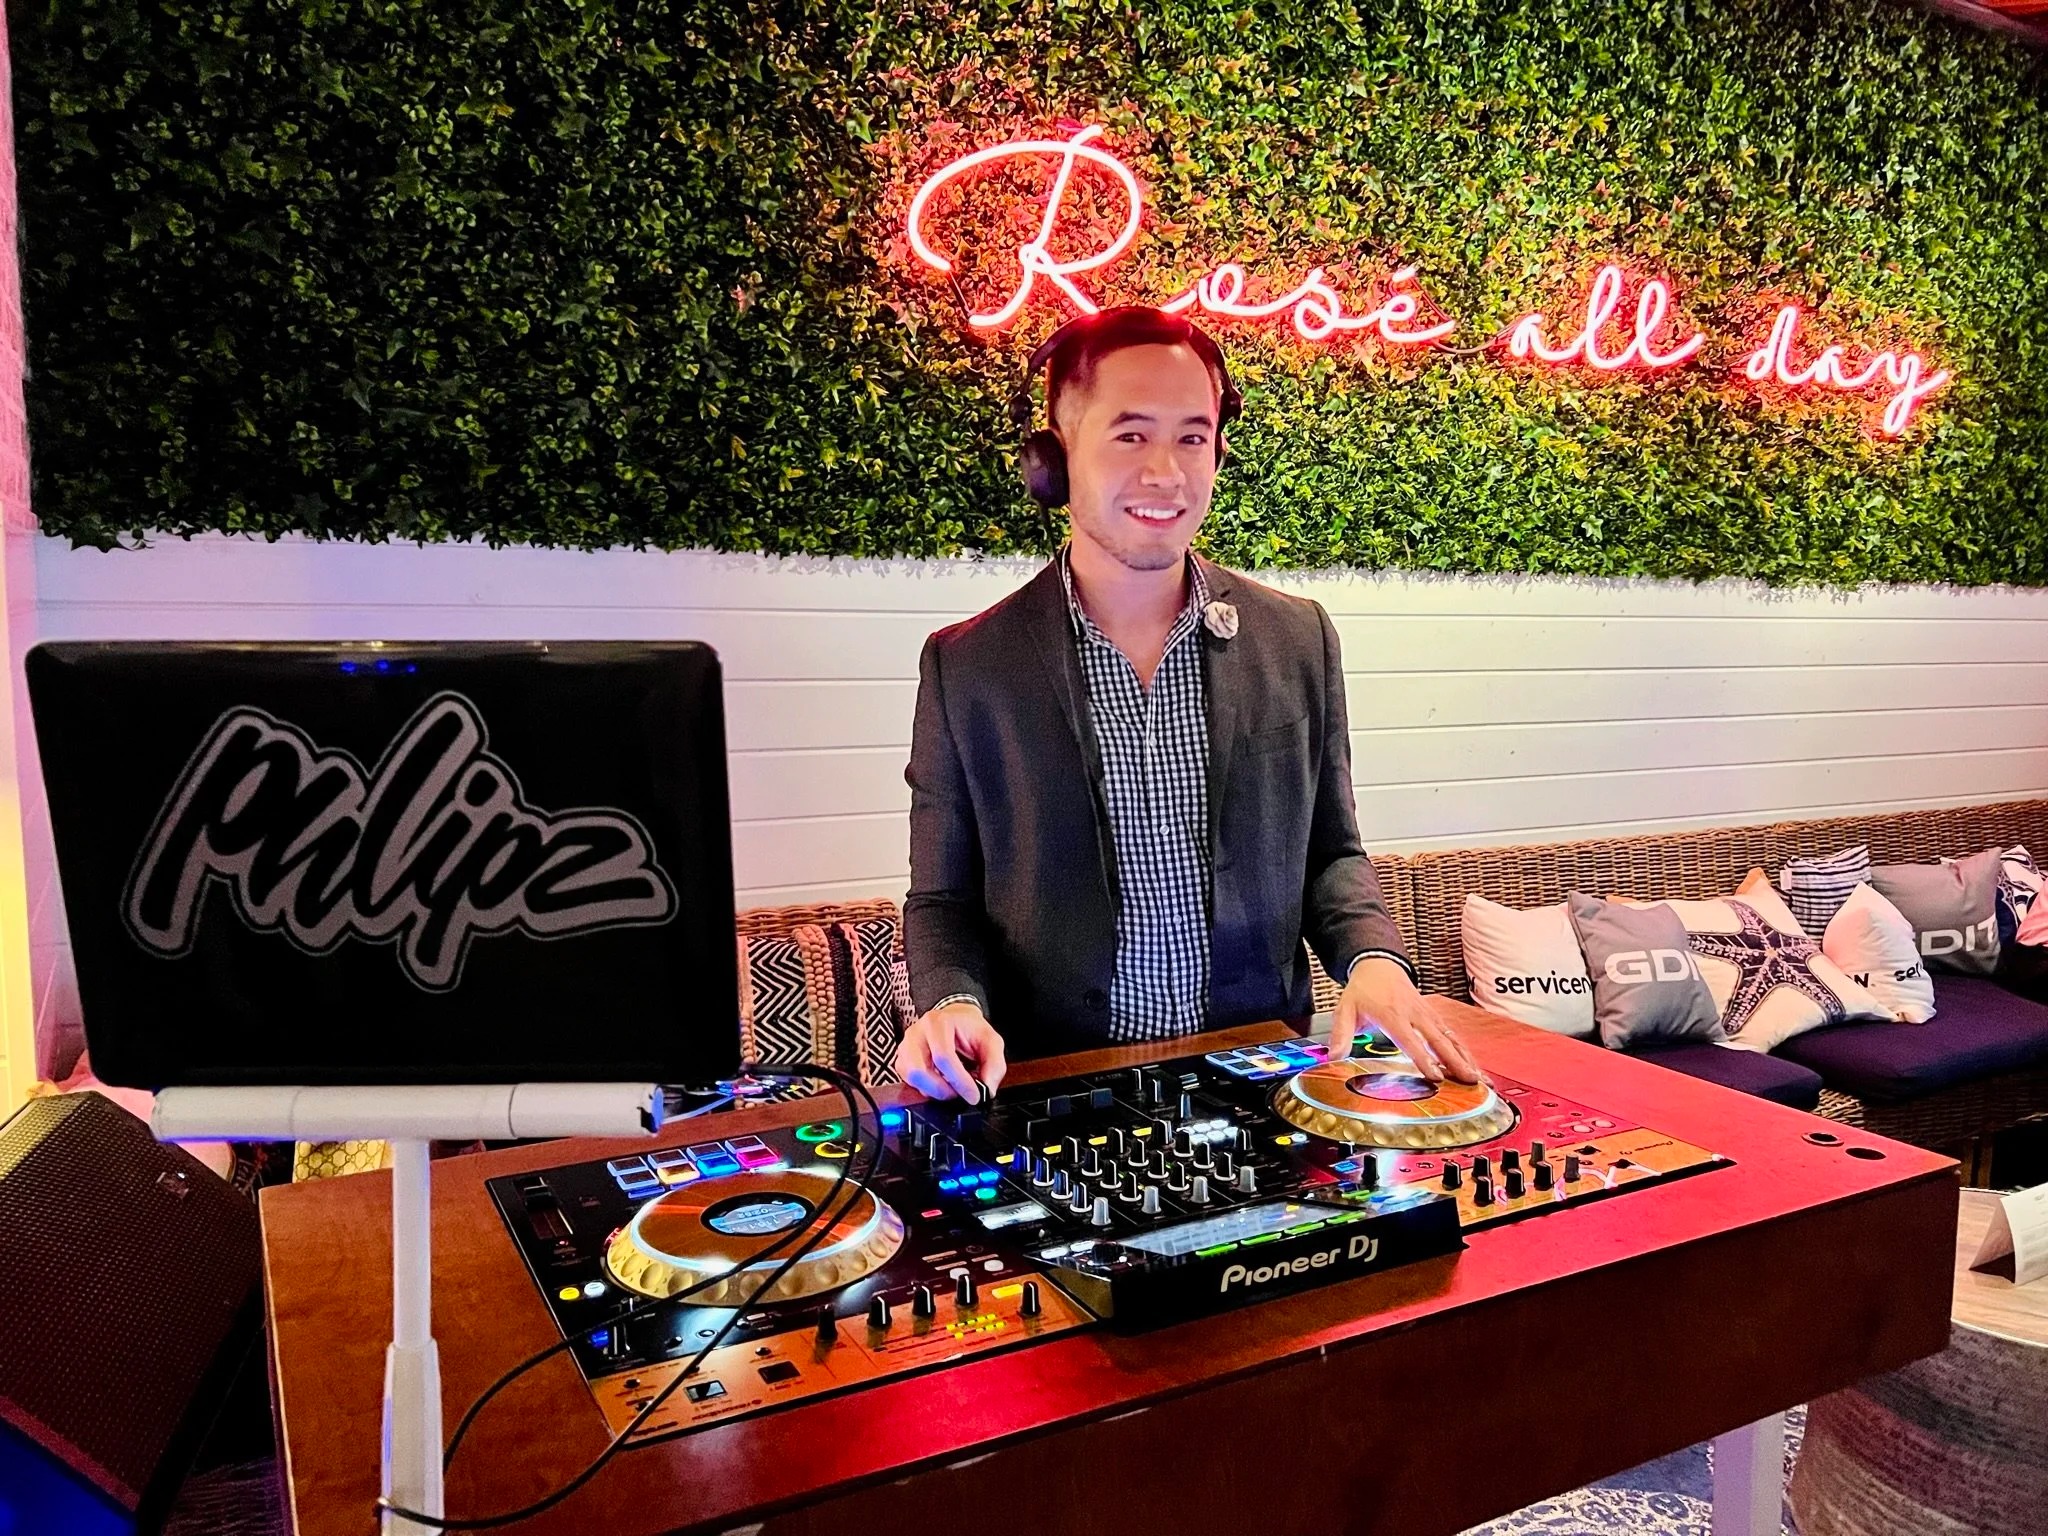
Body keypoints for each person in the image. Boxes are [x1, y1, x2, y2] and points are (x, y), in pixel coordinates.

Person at [895, 305, 1479, 1101]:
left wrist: (1372, 962)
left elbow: (1332, 852)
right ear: (1055, 458)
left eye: (1192, 436)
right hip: (1063, 1092)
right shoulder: (970, 666)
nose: (1166, 472)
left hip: (1262, 1082)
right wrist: (951, 1003)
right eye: (1131, 435)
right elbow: (942, 899)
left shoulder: (1295, 636)